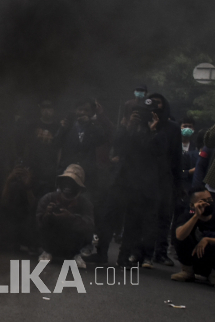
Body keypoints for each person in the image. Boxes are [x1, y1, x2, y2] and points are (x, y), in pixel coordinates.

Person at [115, 101, 167, 267]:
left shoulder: (151, 133)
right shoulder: (131, 131)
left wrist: (154, 129)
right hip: (132, 185)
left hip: (147, 187)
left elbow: (156, 151)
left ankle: (138, 255)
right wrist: (129, 126)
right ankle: (124, 256)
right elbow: (121, 147)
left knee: (144, 225)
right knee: (131, 223)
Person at [36, 164, 94, 269]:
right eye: (66, 182)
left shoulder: (85, 204)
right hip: (50, 242)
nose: (68, 187)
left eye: (73, 183)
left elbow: (89, 226)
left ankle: (76, 254)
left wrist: (70, 217)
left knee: (85, 225)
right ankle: (47, 251)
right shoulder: (48, 198)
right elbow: (38, 224)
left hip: (73, 245)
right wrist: (47, 215)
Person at [147, 93, 182, 267]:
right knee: (145, 215)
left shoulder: (173, 128)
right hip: (144, 177)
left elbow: (177, 157)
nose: (155, 105)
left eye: (158, 103)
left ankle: (160, 252)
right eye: (151, 102)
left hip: (165, 178)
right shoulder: (142, 124)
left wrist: (178, 183)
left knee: (164, 217)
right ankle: (142, 252)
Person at [57, 98, 110, 192]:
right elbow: (56, 142)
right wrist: (62, 128)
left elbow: (102, 140)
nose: (82, 112)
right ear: (75, 110)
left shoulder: (94, 127)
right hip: (67, 172)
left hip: (87, 174)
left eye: (86, 110)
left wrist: (90, 123)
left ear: (91, 112)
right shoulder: (67, 125)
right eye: (80, 109)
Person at [170, 186, 215, 284]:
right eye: (203, 201)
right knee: (180, 232)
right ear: (192, 205)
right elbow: (179, 236)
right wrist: (196, 216)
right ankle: (187, 271)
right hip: (193, 259)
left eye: (210, 199)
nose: (208, 203)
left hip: (211, 262)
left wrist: (207, 239)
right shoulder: (187, 216)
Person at [21, 100, 61, 197]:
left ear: (53, 110)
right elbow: (26, 145)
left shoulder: (58, 126)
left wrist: (58, 166)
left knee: (48, 193)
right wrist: (25, 162)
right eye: (44, 108)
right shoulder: (32, 125)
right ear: (40, 110)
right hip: (34, 165)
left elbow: (60, 148)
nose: (46, 111)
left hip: (50, 166)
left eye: (49, 108)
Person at [180, 117, 198, 194]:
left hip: (190, 183)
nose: (187, 128)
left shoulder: (196, 147)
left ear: (193, 129)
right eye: (185, 126)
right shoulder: (173, 145)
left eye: (190, 126)